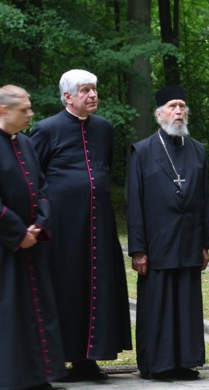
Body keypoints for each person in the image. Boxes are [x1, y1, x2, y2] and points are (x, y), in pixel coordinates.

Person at [30, 69, 132, 381]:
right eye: (85, 90)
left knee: (97, 287)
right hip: (62, 227)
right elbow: (33, 177)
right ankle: (60, 360)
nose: (92, 95)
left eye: (94, 89)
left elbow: (103, 167)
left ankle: (90, 359)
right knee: (66, 288)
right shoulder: (46, 129)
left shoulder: (104, 128)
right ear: (67, 97)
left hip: (98, 225)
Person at [127, 86, 209, 380]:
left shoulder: (196, 149)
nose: (178, 111)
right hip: (156, 243)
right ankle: (157, 364)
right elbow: (135, 203)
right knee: (158, 304)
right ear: (159, 113)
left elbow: (204, 200)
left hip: (189, 239)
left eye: (182, 106)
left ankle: (185, 361)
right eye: (172, 106)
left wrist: (205, 243)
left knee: (186, 304)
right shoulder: (142, 150)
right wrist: (138, 248)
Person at [0, 85, 67, 390]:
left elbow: (41, 187)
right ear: (4, 110)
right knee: (11, 314)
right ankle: (12, 377)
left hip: (31, 245)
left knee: (37, 310)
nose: (31, 114)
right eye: (24, 109)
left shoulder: (25, 143)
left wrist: (39, 224)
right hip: (6, 248)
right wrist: (17, 232)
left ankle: (37, 375)